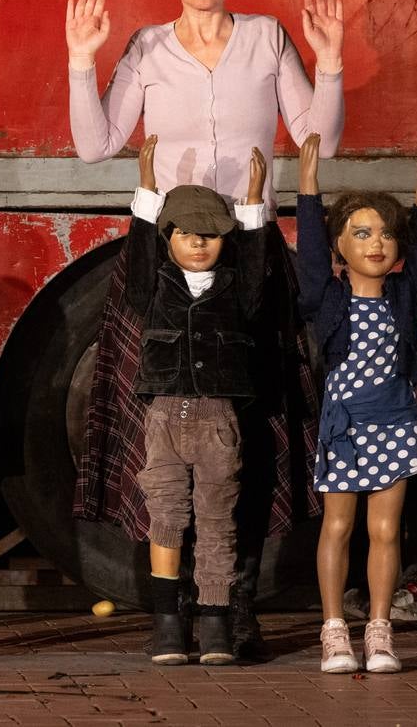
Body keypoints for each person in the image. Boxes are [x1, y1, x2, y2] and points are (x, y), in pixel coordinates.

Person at [66, 0, 346, 656]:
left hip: (250, 246)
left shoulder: (264, 39)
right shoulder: (148, 48)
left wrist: (330, 64)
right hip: (164, 254)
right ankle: (172, 603)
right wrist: (80, 59)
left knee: (251, 430)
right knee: (159, 433)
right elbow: (96, 145)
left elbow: (317, 136)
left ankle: (233, 603)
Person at [296, 132, 417, 674]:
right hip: (345, 425)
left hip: (396, 421)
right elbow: (309, 260)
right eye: (360, 234)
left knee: (385, 530)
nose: (375, 244)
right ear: (341, 248)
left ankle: (379, 631)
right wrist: (307, 189)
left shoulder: (406, 297)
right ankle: (334, 630)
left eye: (385, 234)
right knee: (337, 525)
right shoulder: (327, 297)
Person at [127, 136, 268, 666]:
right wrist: (144, 192)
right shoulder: (154, 287)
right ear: (168, 238)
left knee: (216, 520)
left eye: (211, 235)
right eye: (187, 233)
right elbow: (137, 257)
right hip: (164, 414)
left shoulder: (236, 289)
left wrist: (252, 203)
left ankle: (213, 623)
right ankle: (168, 622)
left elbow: (256, 267)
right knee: (165, 515)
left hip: (217, 419)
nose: (200, 243)